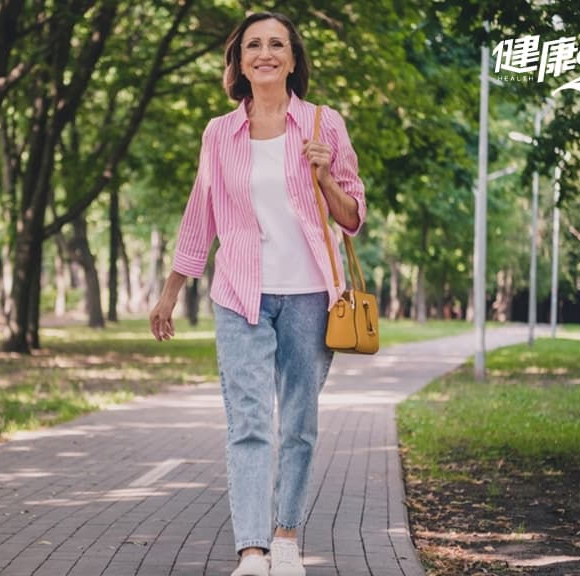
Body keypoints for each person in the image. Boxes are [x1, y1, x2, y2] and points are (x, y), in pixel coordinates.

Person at [149, 11, 366, 576]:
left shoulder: (324, 124)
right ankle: (252, 549)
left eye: (277, 44)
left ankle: (287, 535)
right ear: (239, 62)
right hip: (241, 294)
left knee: (297, 422)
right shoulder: (219, 132)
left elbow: (353, 217)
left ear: (293, 59)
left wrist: (324, 178)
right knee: (247, 422)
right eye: (253, 46)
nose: (265, 53)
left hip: (311, 296)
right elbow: (202, 214)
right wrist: (171, 290)